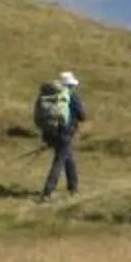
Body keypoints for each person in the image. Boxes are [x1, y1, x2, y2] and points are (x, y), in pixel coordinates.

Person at [35, 70, 89, 201]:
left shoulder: (47, 94)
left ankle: (73, 188)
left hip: (49, 132)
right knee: (59, 161)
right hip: (64, 132)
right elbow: (83, 116)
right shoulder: (71, 95)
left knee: (68, 157)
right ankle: (47, 192)